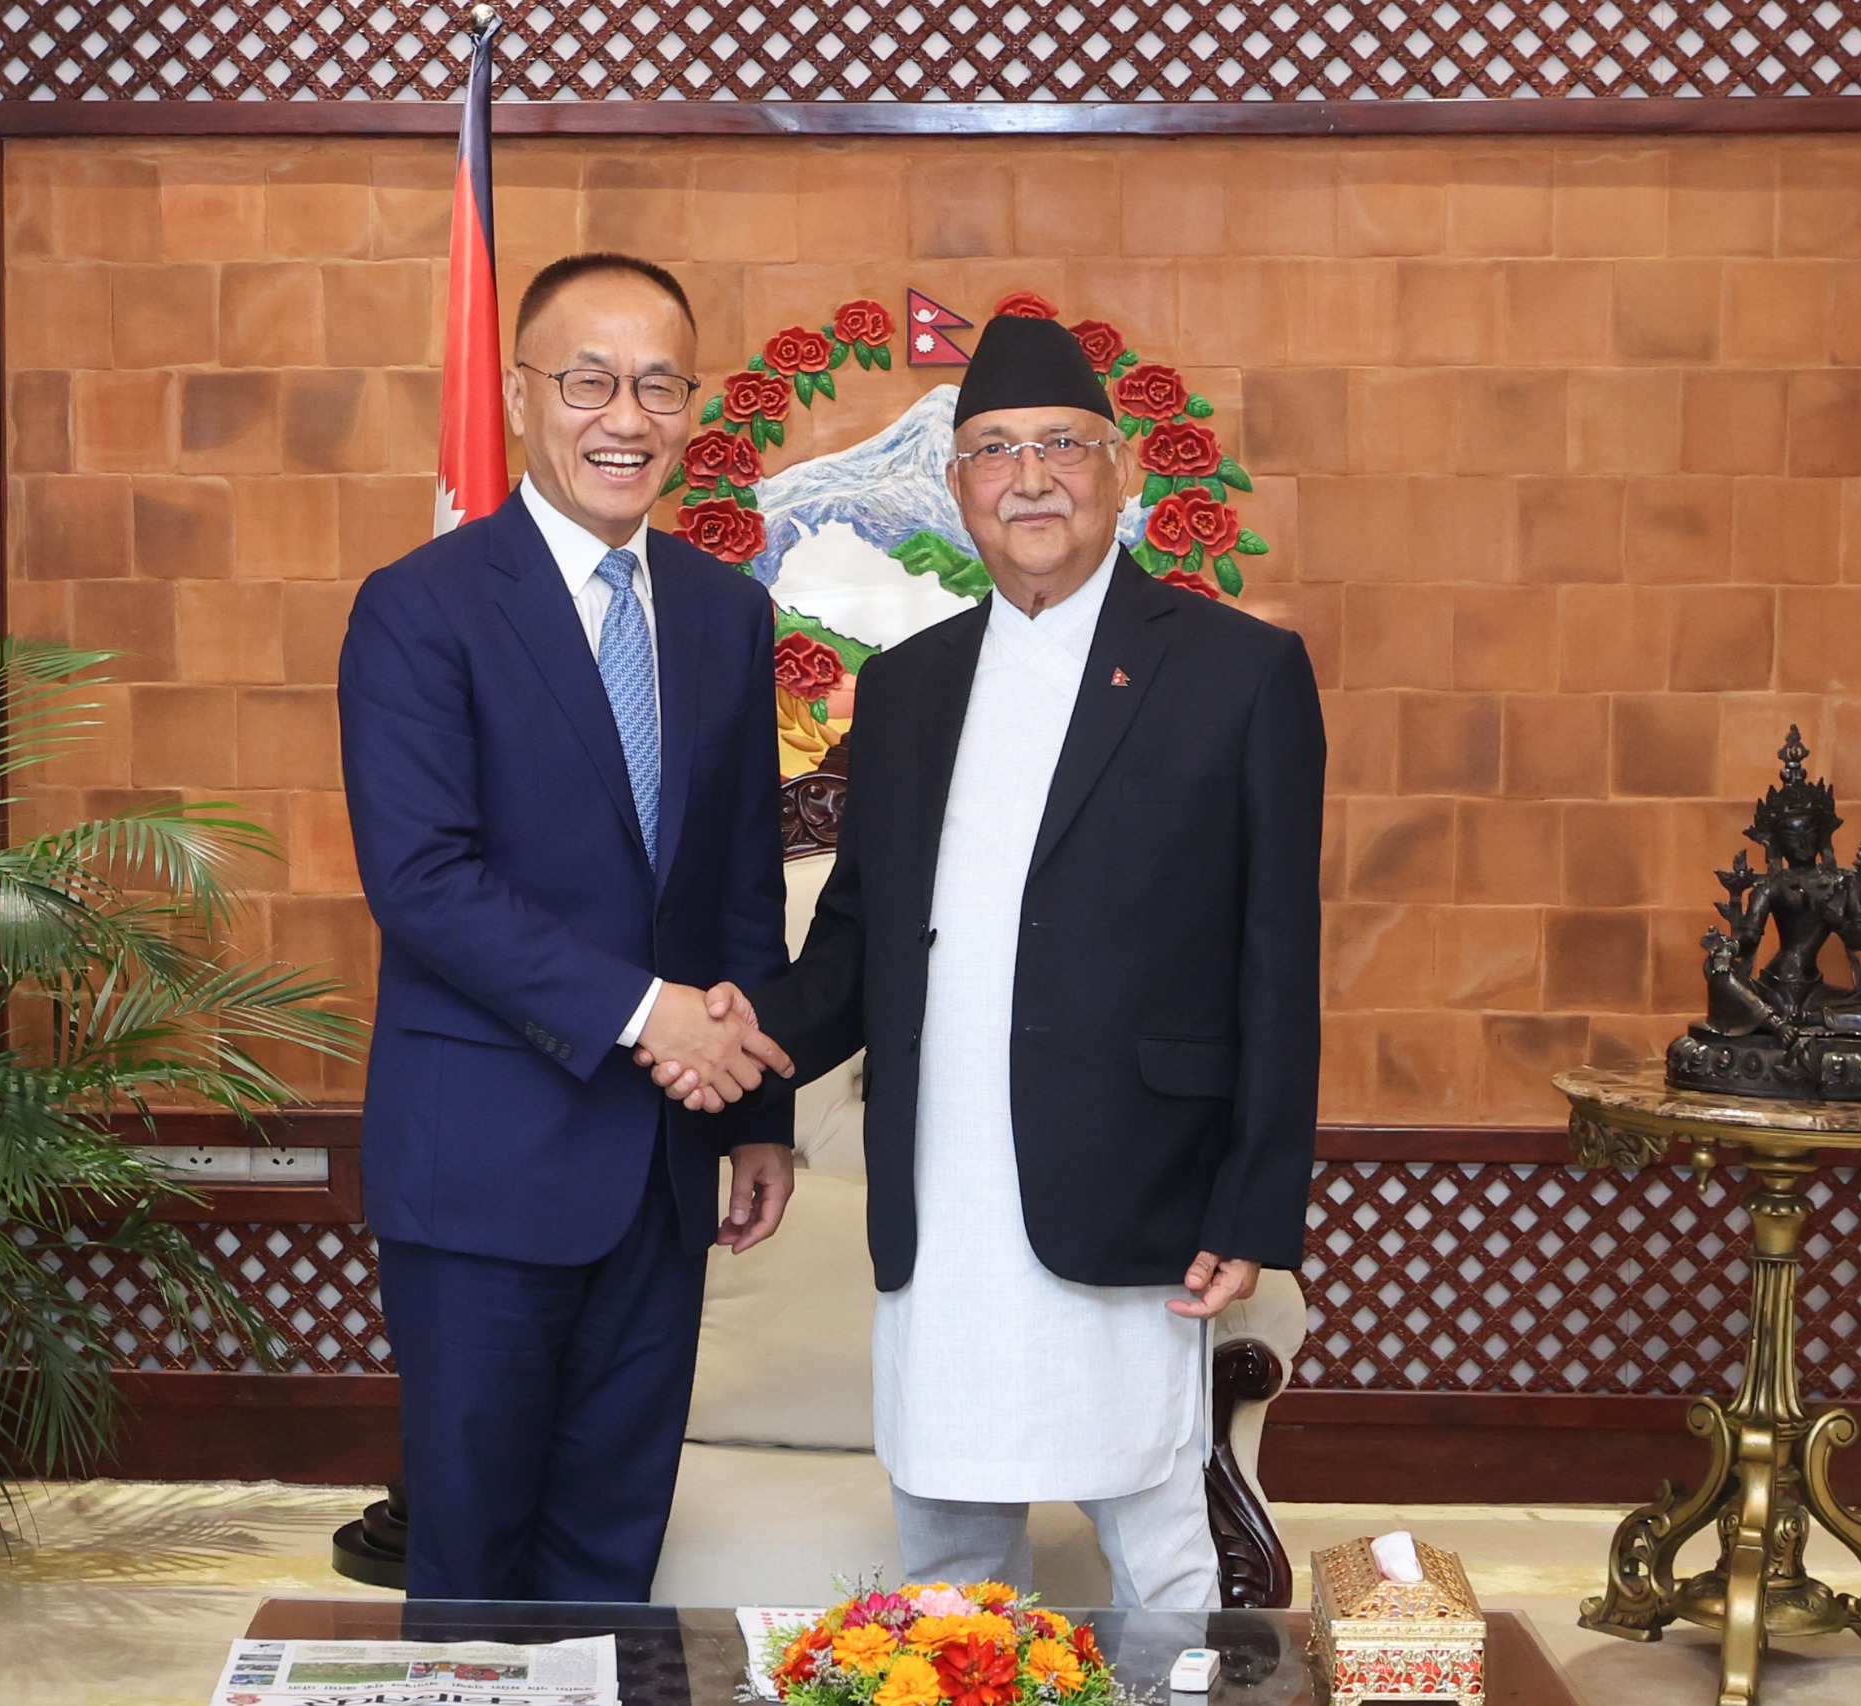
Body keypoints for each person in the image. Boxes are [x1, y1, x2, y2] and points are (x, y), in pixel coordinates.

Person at [644, 314, 1326, 1608]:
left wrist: (1254, 1211)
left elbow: (1279, 961)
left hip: (1133, 1183)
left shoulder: (1239, 673)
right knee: (952, 1549)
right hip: (944, 1187)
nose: (1030, 478)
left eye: (1062, 445)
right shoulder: (909, 685)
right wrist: (747, 1036)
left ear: (1119, 468)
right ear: (957, 486)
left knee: (1162, 1552)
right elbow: (855, 938)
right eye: (996, 450)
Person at [338, 252, 796, 1602]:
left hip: (663, 1171)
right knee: (475, 1565)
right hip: (483, 1167)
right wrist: (647, 1013)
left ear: (692, 407)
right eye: (590, 382)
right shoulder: (420, 605)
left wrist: (758, 1112)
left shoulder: (725, 611)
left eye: (660, 386)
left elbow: (742, 884)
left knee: (610, 1560)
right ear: (521, 396)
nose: (626, 418)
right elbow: (424, 879)